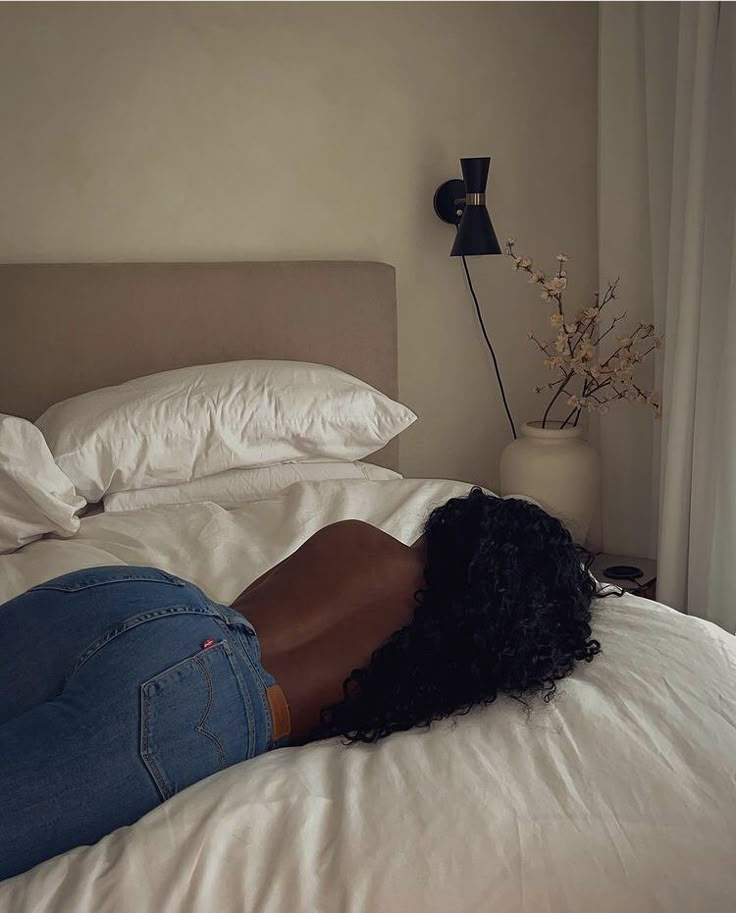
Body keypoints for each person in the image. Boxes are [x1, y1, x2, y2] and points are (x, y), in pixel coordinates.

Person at [0, 489, 601, 881]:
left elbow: (229, 621)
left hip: (143, 595)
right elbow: (213, 671)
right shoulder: (441, 661)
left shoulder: (356, 536)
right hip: (201, 695)